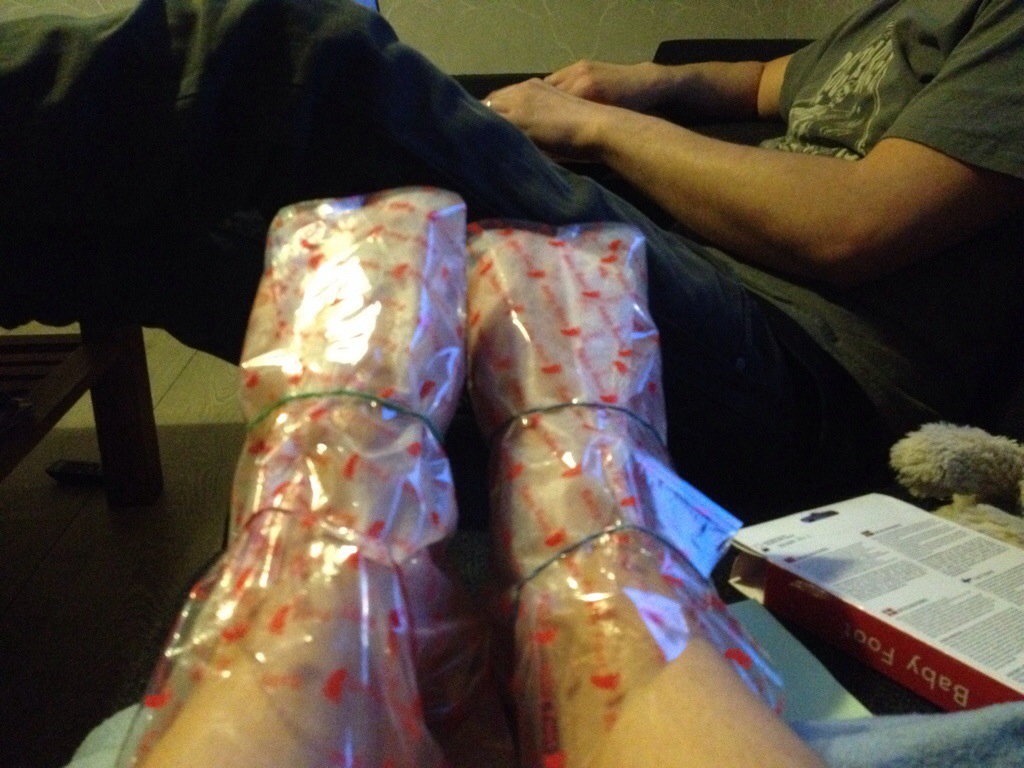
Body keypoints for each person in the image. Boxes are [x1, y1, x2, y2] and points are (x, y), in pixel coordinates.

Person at [2, 1, 1024, 766]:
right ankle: (571, 598)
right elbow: (770, 78)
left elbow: (850, 228)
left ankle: (339, 568)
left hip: (812, 367)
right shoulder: (918, 13)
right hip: (711, 270)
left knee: (297, 51)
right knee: (185, 236)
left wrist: (593, 128)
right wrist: (645, 82)